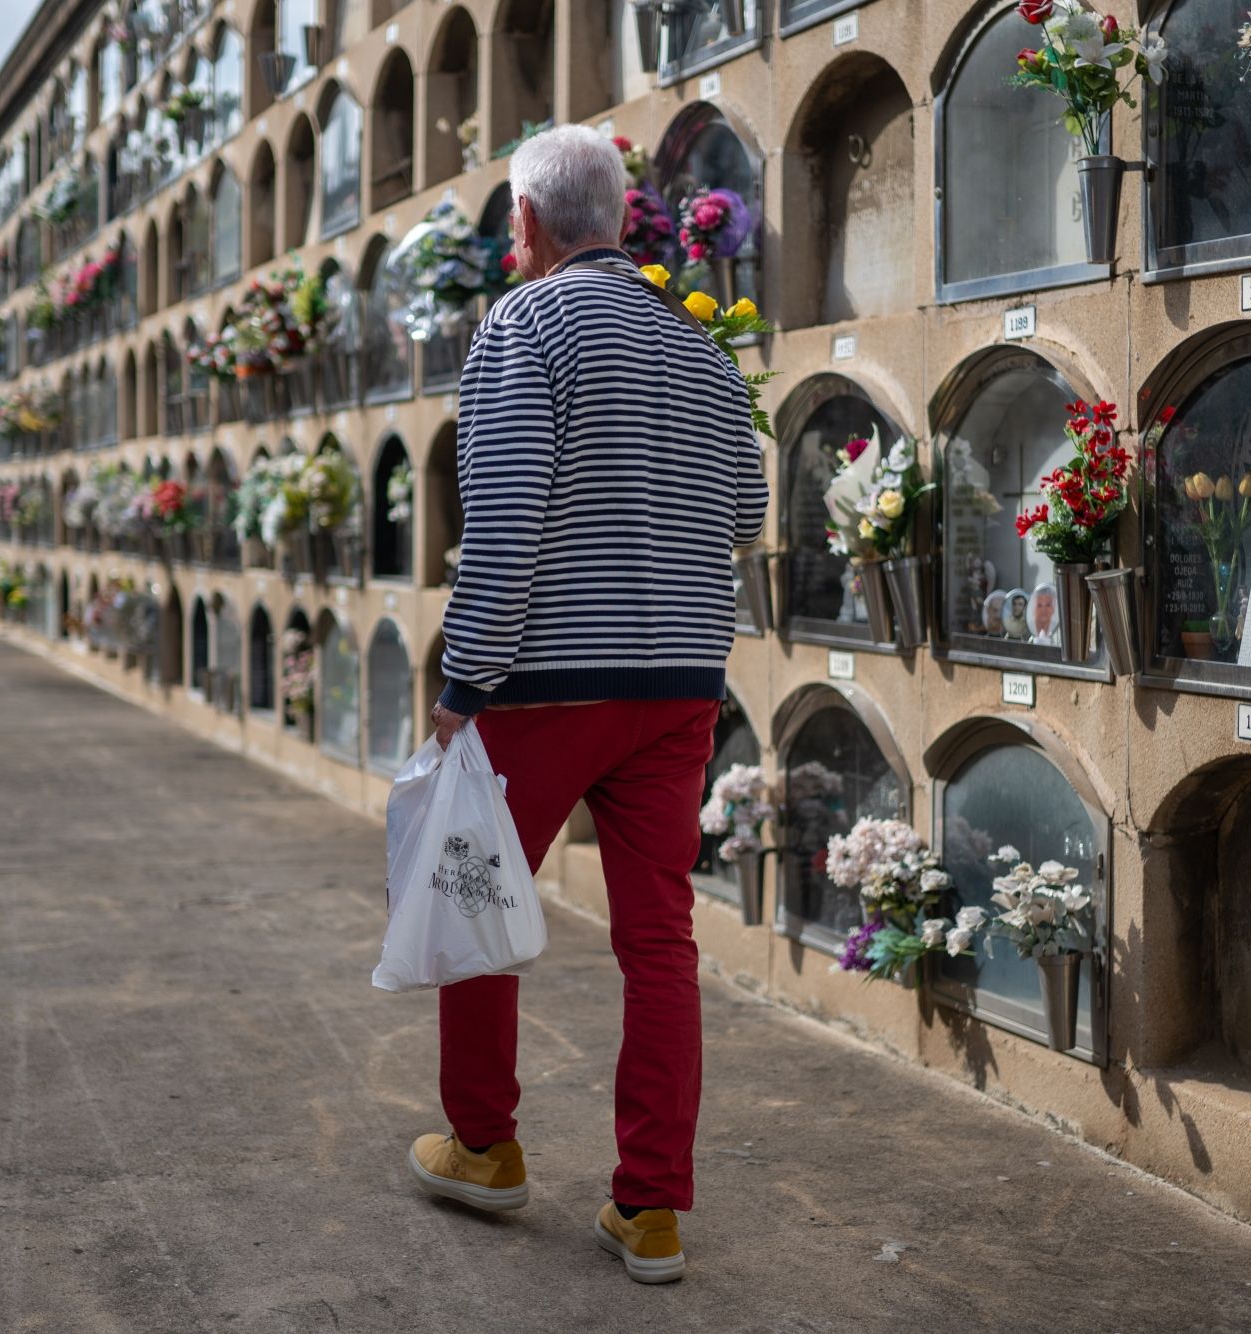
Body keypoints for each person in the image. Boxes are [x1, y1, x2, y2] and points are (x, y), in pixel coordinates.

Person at [405, 125, 768, 1285]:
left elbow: (502, 524)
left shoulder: (523, 325)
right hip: (675, 688)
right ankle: (650, 1208)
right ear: (621, 219)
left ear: (524, 226)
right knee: (658, 943)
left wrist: (465, 683)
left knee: (476, 908)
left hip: (545, 683)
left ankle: (483, 1143)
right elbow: (749, 510)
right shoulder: (700, 348)